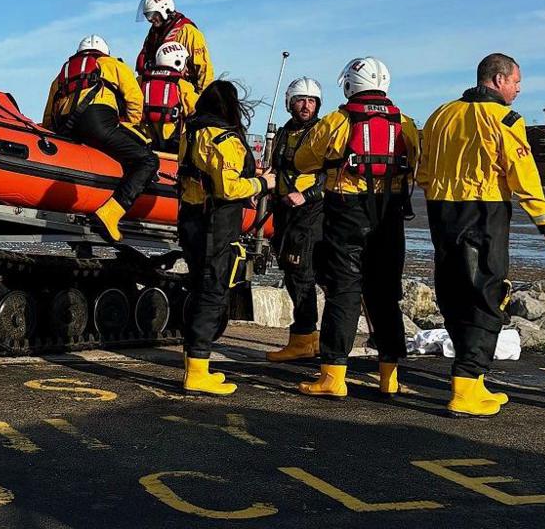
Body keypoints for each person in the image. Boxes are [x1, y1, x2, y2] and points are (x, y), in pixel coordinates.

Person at [416, 53, 545, 417]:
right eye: (516, 81)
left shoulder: (441, 115)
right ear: (498, 80)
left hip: (441, 211)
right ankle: (467, 386)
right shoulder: (505, 119)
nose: (518, 88)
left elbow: (423, 167)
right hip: (484, 211)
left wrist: (435, 193)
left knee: (452, 290)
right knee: (487, 292)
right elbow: (524, 176)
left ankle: (473, 382)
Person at [293, 57, 418, 399]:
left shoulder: (337, 120)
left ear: (349, 84)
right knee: (385, 294)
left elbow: (302, 160)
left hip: (346, 212)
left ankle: (333, 376)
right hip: (390, 215)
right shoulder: (404, 123)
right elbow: (417, 166)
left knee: (344, 292)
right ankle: (389, 377)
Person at [177, 80, 277, 394]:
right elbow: (229, 187)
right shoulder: (225, 139)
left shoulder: (190, 133)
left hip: (190, 219)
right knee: (212, 292)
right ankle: (197, 371)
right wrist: (263, 183)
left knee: (199, 287)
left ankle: (195, 363)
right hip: (214, 225)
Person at [43, 34, 158, 242]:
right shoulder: (112, 64)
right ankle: (111, 213)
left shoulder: (63, 73)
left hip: (65, 128)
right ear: (105, 51)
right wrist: (130, 126)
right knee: (148, 160)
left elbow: (49, 116)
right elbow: (134, 98)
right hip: (96, 121)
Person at [265, 77, 326, 362]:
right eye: (301, 100)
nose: (306, 106)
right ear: (291, 103)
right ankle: (309, 338)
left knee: (301, 274)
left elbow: (330, 173)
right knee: (291, 274)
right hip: (284, 211)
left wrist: (309, 194)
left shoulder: (321, 132)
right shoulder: (285, 132)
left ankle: (303, 337)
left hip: (309, 213)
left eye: (311, 101)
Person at [135, 0, 214, 94]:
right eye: (147, 16)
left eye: (152, 15)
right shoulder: (153, 34)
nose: (150, 20)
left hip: (183, 93)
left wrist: (202, 98)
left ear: (164, 10)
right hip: (157, 90)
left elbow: (204, 68)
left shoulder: (188, 32)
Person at [138, 40, 200, 153]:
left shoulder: (141, 81)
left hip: (144, 142)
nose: (186, 70)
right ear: (178, 62)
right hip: (173, 147)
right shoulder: (182, 85)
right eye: (185, 64)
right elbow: (197, 112)